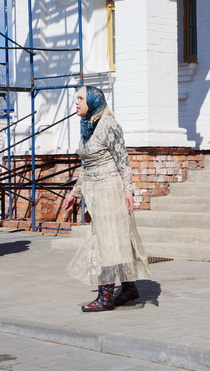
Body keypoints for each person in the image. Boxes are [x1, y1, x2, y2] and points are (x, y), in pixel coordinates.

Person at [63, 86, 151, 312]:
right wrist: (74, 193)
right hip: (94, 190)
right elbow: (87, 166)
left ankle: (105, 296)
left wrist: (129, 190)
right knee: (111, 239)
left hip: (109, 189)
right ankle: (129, 287)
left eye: (81, 98)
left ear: (92, 101)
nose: (76, 102)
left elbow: (123, 160)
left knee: (107, 241)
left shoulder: (108, 124)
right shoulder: (87, 126)